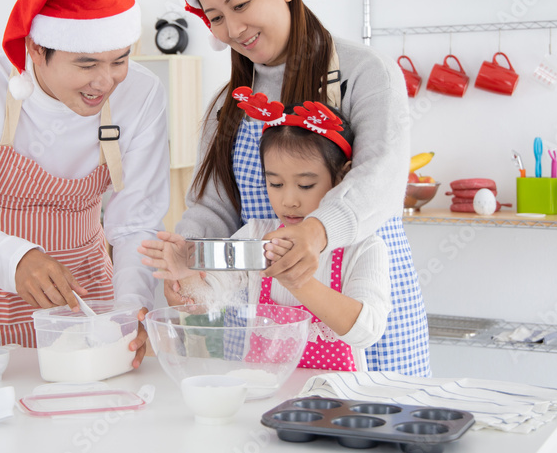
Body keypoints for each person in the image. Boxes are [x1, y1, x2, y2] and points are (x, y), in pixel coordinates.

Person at [173, 0, 430, 375]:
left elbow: (381, 178)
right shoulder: (227, 105)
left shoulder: (363, 73)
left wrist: (315, 232)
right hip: (262, 322)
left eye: (240, 4)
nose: (233, 29)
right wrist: (189, 262)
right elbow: (212, 209)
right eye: (215, 17)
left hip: (357, 309)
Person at [0, 0, 169, 368]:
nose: (105, 82)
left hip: (86, 298)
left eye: (119, 60)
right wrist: (15, 258)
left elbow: (135, 224)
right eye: (87, 64)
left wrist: (128, 310)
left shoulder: (142, 94)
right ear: (36, 49)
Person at [140, 88, 390, 370]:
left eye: (306, 185)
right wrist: (184, 273)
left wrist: (298, 280)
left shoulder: (363, 247)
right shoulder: (255, 235)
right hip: (264, 390)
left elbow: (367, 331)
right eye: (275, 184)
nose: (289, 200)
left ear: (342, 177)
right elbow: (207, 298)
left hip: (334, 399)